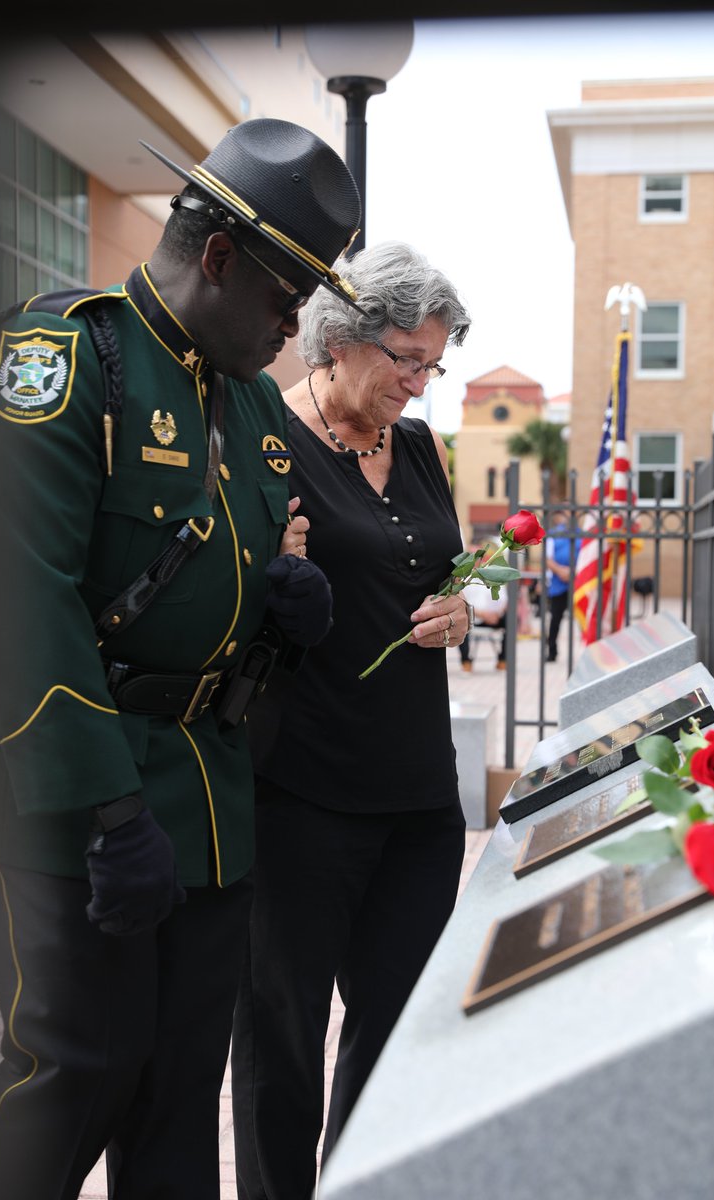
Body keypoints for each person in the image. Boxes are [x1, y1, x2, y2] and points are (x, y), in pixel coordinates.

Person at [0, 118, 362, 1200]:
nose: (292, 331)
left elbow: (221, 584)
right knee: (71, 1072)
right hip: (75, 803)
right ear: (218, 256)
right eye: (286, 303)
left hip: (206, 802)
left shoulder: (246, 406)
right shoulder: (68, 356)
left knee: (179, 1092)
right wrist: (106, 814)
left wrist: (281, 617)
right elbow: (20, 598)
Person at [231, 241, 472, 1200]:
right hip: (302, 793)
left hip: (418, 797)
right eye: (404, 359)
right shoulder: (263, 440)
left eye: (433, 363)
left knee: (395, 1033)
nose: (418, 383)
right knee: (281, 1044)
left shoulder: (418, 445)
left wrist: (459, 612)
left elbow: (433, 576)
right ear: (337, 339)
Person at [458, 544, 508, 671]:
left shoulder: (492, 574)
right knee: (461, 620)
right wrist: (483, 614)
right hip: (473, 617)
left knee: (510, 620)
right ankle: (466, 661)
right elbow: (462, 603)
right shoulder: (462, 578)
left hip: (494, 617)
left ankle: (503, 659)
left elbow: (504, 599)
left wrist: (497, 613)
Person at [545, 509, 576, 662]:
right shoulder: (553, 534)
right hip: (558, 583)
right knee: (555, 619)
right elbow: (547, 558)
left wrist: (574, 572)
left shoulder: (581, 534)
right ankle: (552, 650)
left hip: (578, 582)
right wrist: (561, 571)